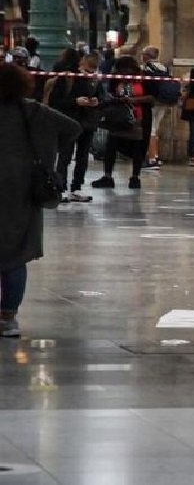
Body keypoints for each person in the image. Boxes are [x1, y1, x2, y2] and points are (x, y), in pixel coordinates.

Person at [0, 65, 81, 337]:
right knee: (14, 256)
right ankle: (8, 317)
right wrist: (47, 153)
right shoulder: (34, 111)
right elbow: (73, 128)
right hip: (23, 190)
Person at [45, 51, 104, 202]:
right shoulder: (67, 78)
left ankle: (77, 187)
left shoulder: (95, 80)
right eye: (87, 70)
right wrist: (75, 102)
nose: (89, 73)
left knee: (83, 157)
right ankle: (61, 187)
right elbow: (55, 101)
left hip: (87, 123)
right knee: (65, 156)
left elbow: (102, 97)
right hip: (69, 122)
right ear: (81, 63)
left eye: (93, 70)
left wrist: (97, 101)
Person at [93, 56, 156, 190]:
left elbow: (152, 98)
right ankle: (108, 176)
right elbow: (110, 94)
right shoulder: (116, 79)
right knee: (111, 145)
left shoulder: (144, 79)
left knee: (137, 147)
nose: (125, 74)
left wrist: (133, 100)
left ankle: (135, 177)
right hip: (119, 118)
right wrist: (117, 99)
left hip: (138, 118)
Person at [141, 46, 171, 169]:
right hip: (163, 101)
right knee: (155, 128)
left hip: (151, 101)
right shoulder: (164, 67)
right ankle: (156, 156)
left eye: (143, 54)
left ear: (147, 56)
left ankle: (152, 159)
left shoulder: (145, 68)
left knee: (151, 130)